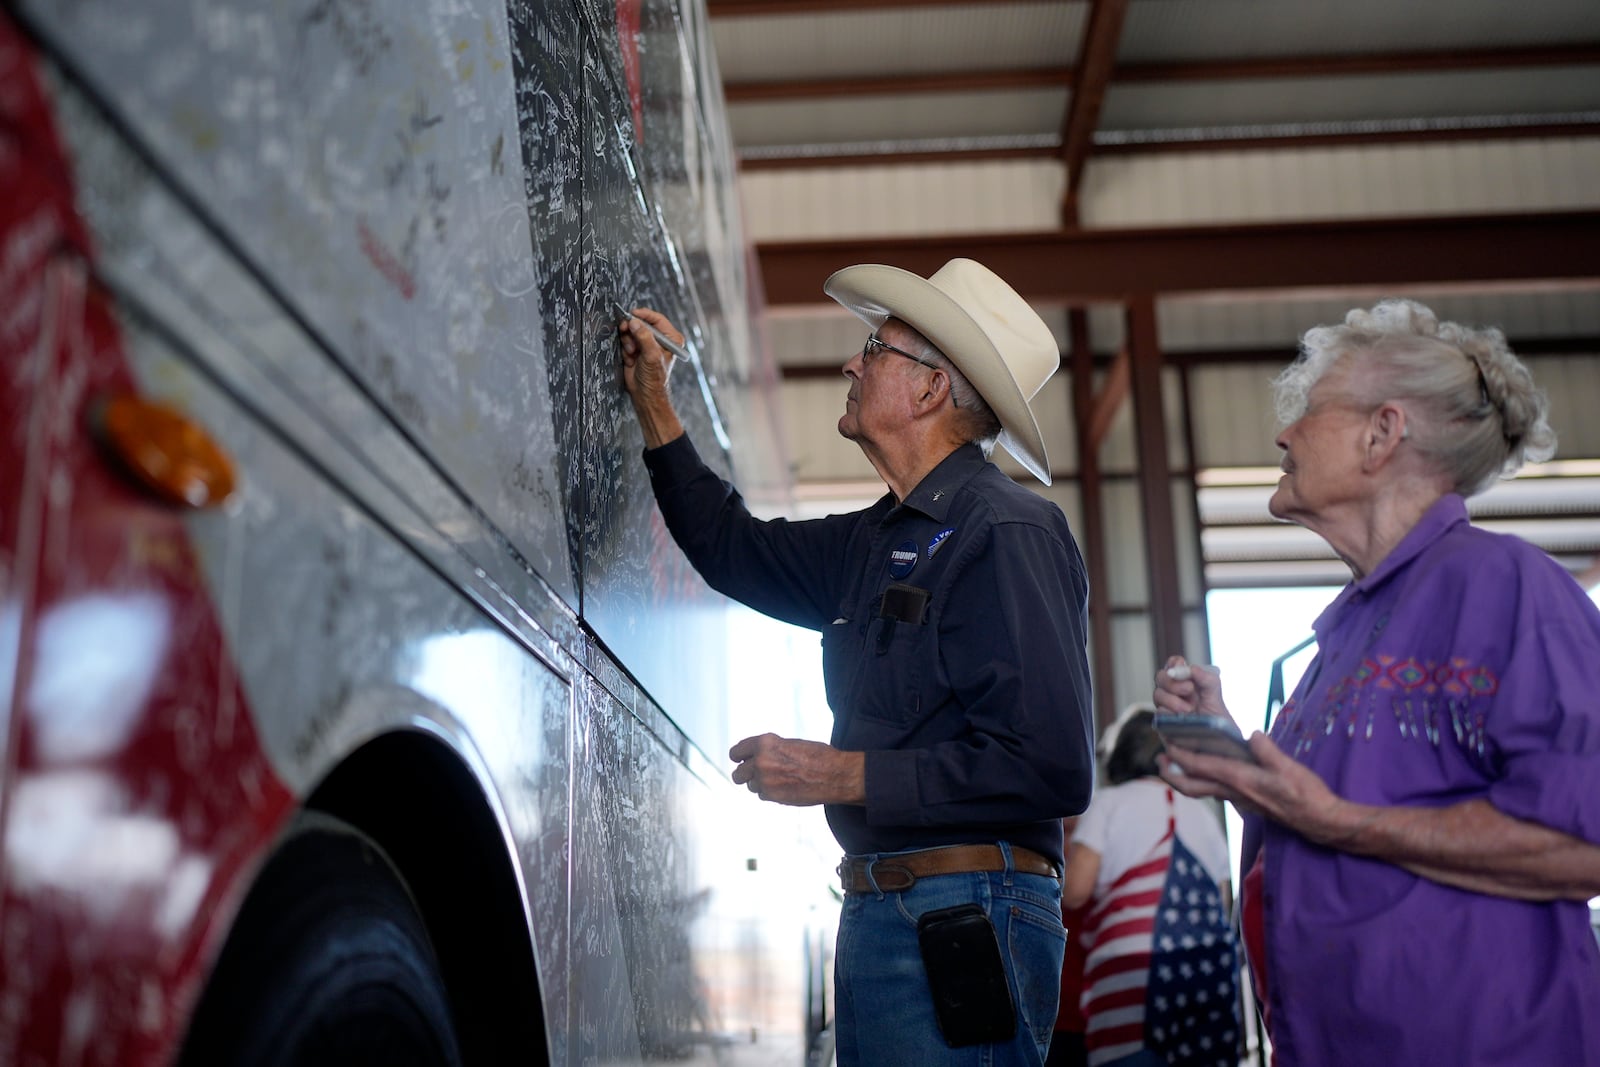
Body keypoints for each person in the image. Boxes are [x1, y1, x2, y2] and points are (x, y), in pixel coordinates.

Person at [618, 257, 1096, 1066]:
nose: (851, 361)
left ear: (929, 388)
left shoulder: (1008, 531)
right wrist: (654, 403)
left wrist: (842, 776)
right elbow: (731, 547)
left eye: (875, 348)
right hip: (889, 906)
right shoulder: (874, 541)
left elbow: (1050, 766)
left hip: (965, 911)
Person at [1152, 299, 1600, 1066]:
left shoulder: (1507, 586)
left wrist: (1341, 822)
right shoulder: (1343, 633)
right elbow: (1326, 802)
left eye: (1310, 409)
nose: (1283, 433)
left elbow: (1583, 841)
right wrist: (1233, 754)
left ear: (1383, 432)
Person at [1060, 706, 1237, 1067]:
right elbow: (1222, 901)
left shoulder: (1109, 804)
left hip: (1130, 987)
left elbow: (1076, 890)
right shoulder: (1201, 813)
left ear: (1118, 756)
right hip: (1206, 980)